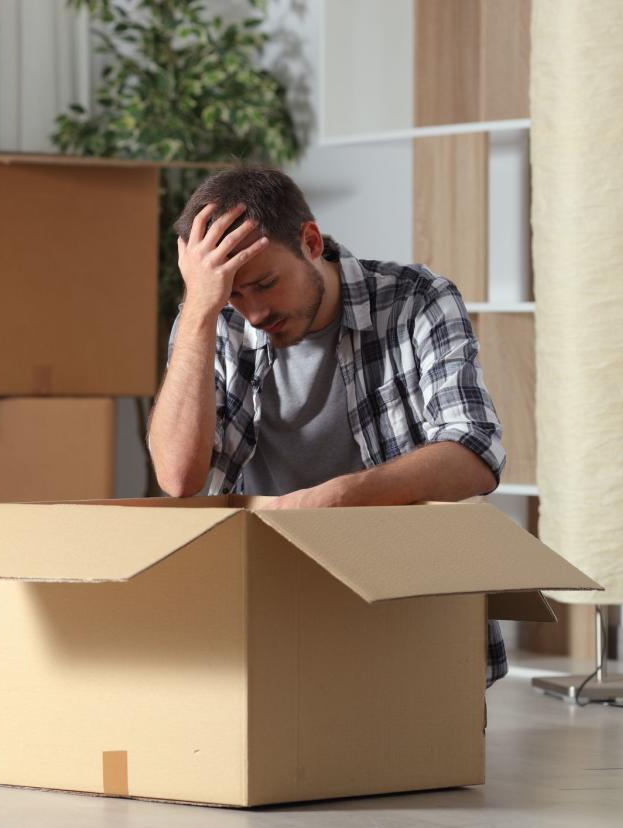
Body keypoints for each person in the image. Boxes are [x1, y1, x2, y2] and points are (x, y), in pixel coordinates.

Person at [147, 165, 508, 686]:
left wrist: (342, 497)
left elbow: (475, 450)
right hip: (264, 601)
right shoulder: (213, 320)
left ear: (311, 241)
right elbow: (178, 478)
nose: (253, 313)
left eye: (264, 284)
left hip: (398, 597)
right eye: (233, 297)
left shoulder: (415, 301)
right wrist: (201, 311)